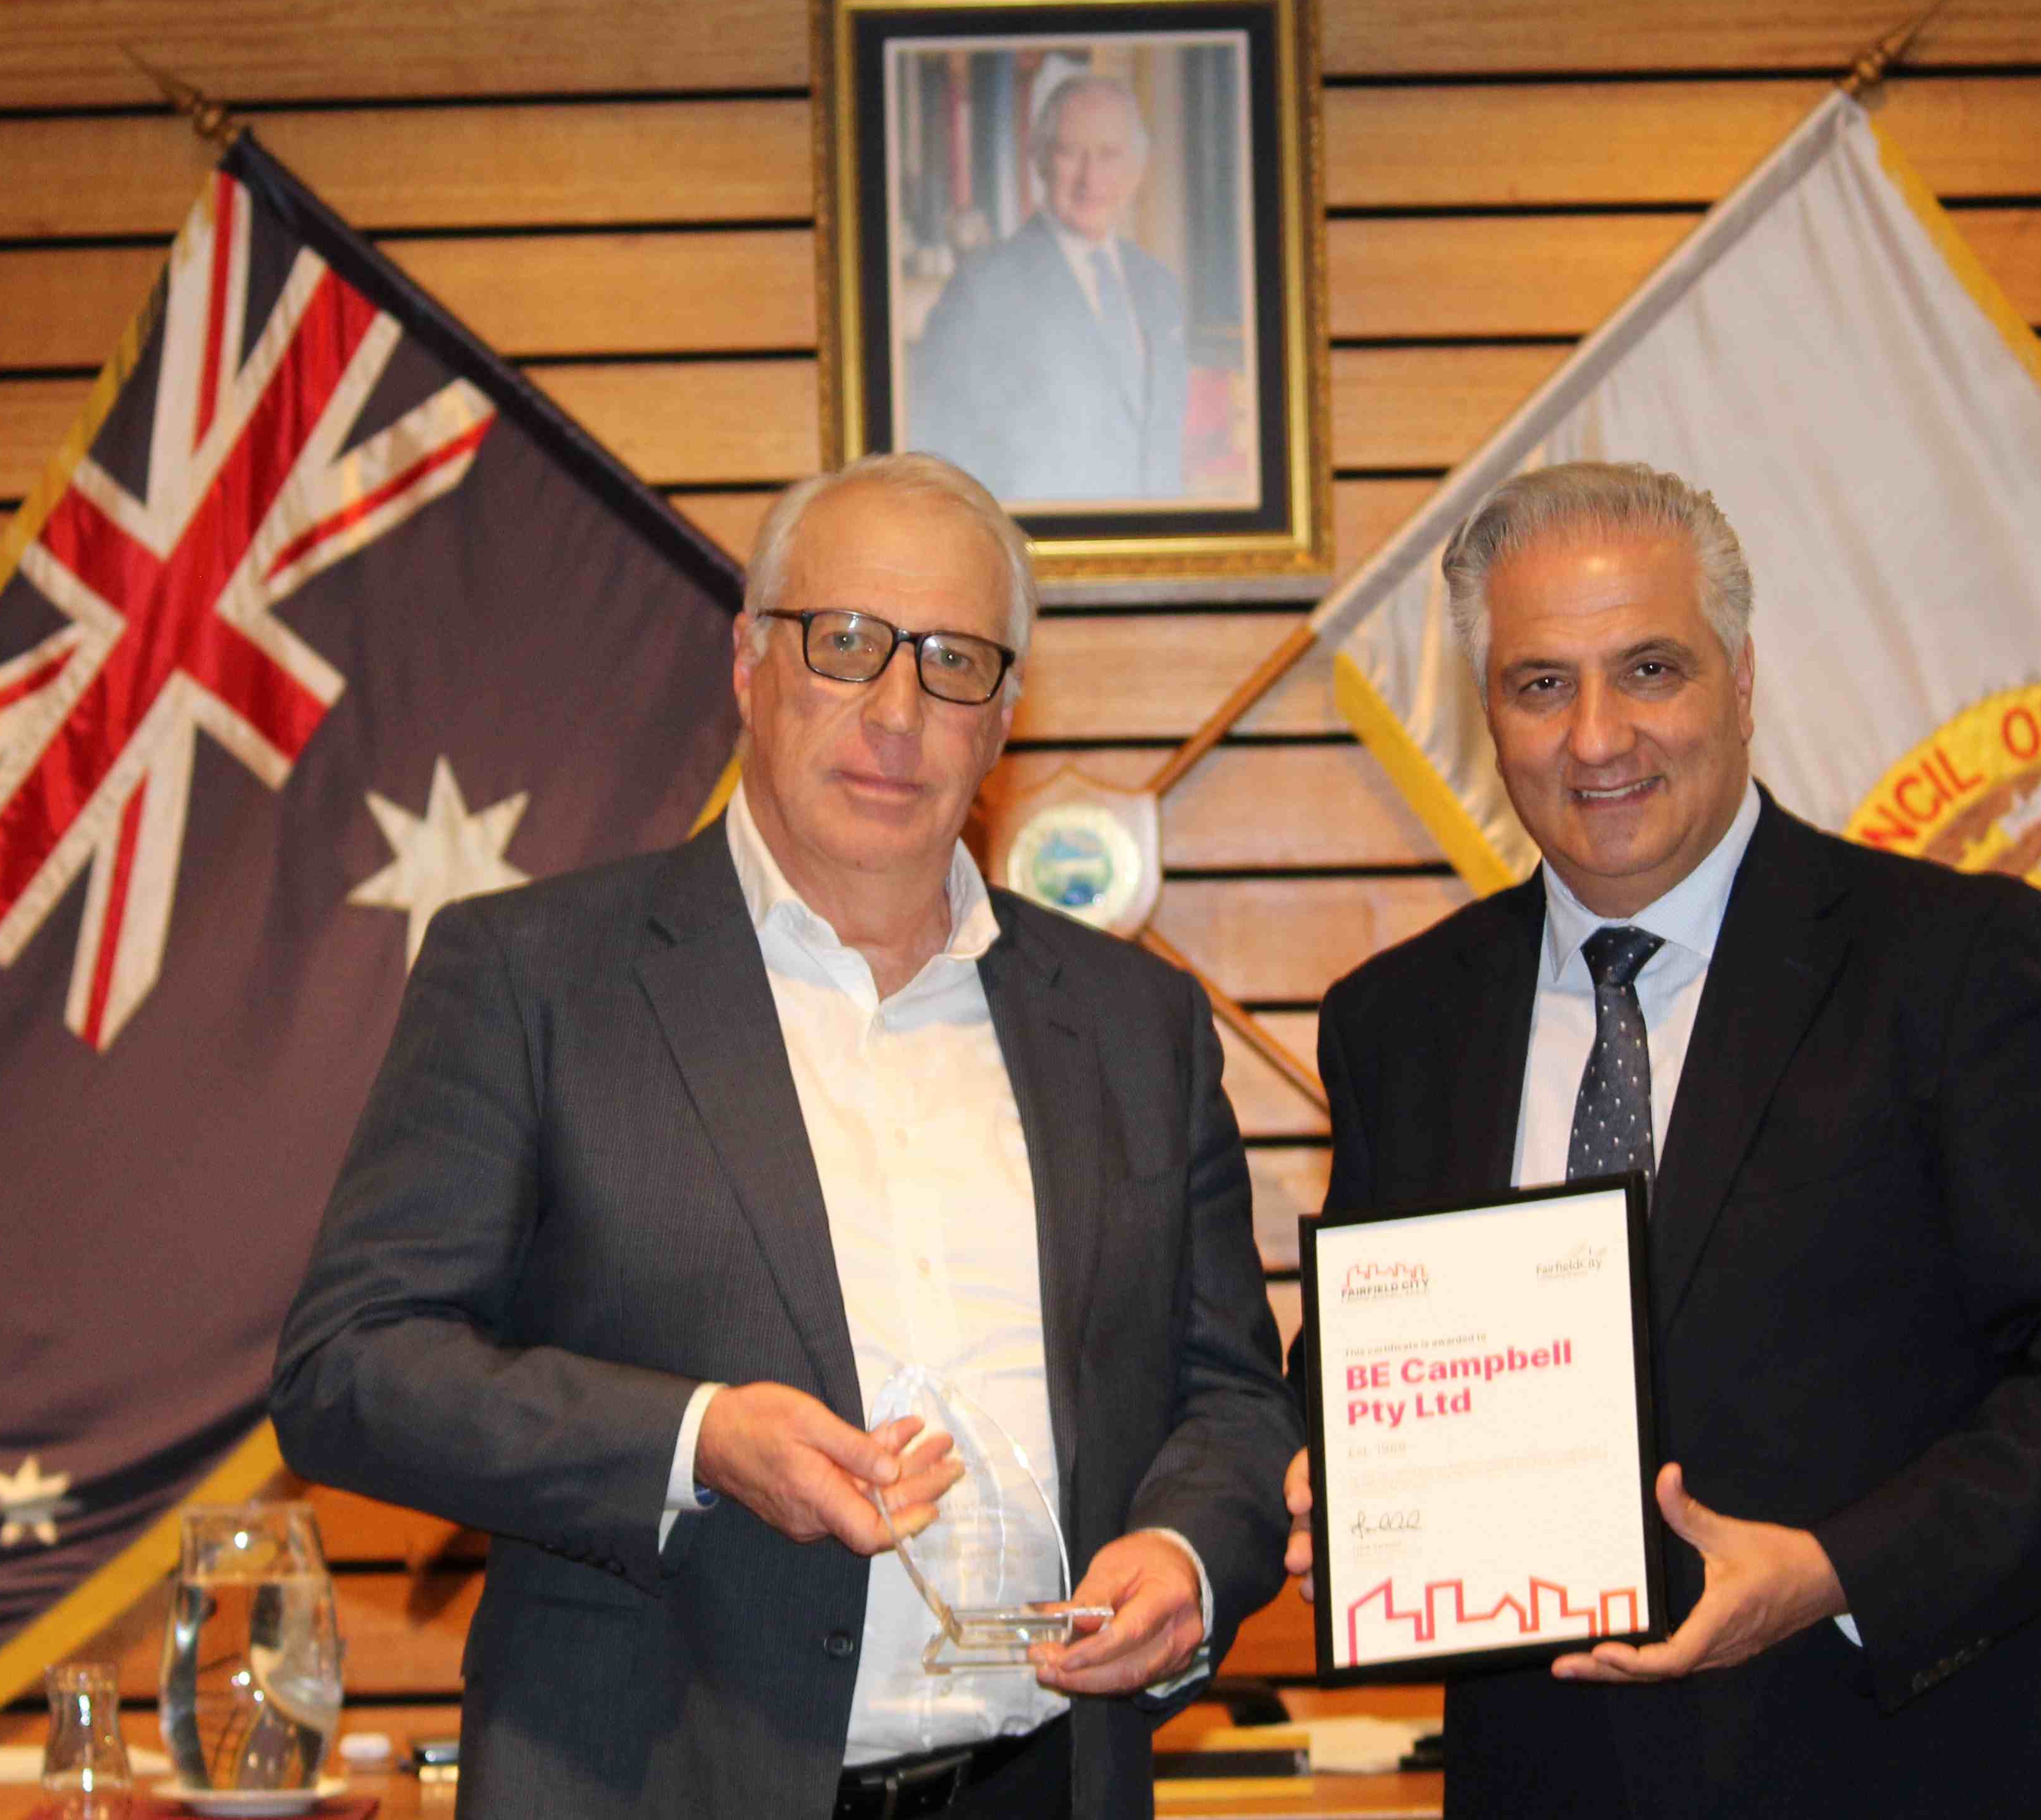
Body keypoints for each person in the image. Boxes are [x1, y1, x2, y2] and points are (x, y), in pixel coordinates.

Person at [273, 452, 1298, 1820]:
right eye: (848, 643)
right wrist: (697, 1442)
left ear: (1002, 719)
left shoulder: (1135, 1024)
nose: (895, 711)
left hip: (1047, 1787)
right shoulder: (536, 976)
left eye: (952, 662)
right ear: (749, 662)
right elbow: (350, 1370)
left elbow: (1233, 1399)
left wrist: (1185, 1551)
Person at [1284, 463, 2041, 1819]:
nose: (1597, 737)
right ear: (1485, 714)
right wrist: (1339, 1475)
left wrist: (1842, 1570)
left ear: (1741, 678)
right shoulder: (1400, 1021)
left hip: (1925, 1769)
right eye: (1541, 684)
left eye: (1650, 669)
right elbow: (1368, 1355)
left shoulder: (1961, 964)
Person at [904, 75, 1191, 507]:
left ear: (1136, 170)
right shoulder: (982, 289)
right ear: (1039, 160)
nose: (1090, 178)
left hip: (1156, 557)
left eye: (1109, 155)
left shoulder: (1160, 287)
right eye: (1070, 152)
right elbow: (940, 456)